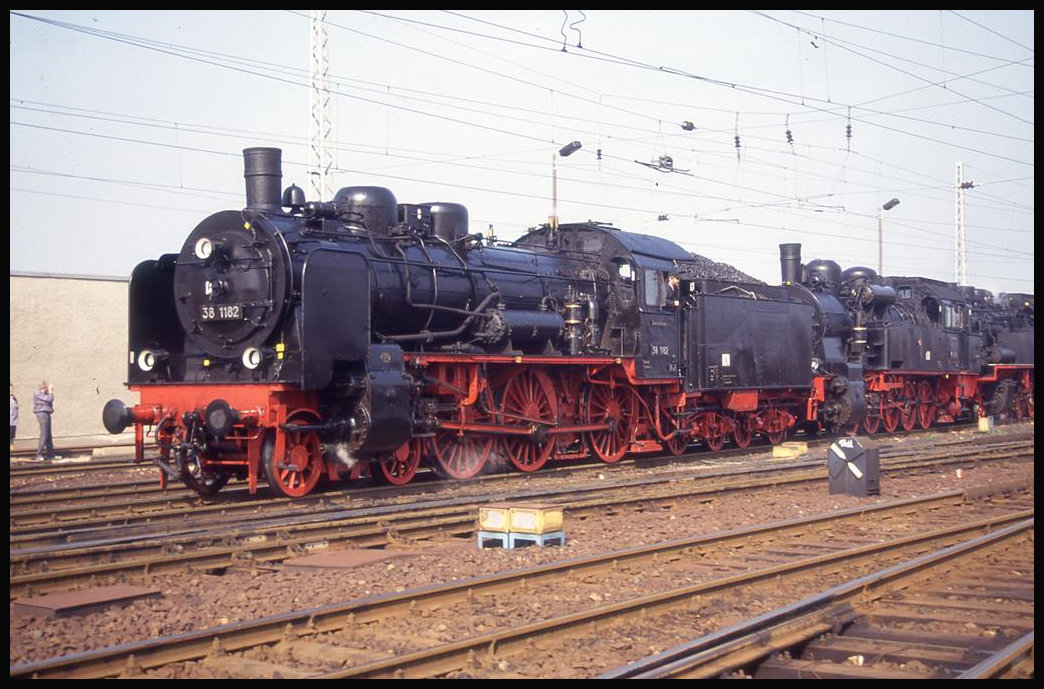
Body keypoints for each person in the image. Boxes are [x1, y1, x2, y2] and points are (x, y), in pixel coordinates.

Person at [33, 380, 59, 461]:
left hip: (47, 413)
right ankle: (38, 454)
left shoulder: (44, 393)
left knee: (48, 435)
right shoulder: (37, 393)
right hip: (42, 413)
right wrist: (50, 391)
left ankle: (50, 454)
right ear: (42, 386)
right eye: (45, 386)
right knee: (44, 434)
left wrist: (49, 392)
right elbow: (49, 399)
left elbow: (50, 398)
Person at [9, 383, 17, 452]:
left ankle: (12, 453)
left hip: (13, 422)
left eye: (11, 389)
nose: (11, 390)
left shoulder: (13, 398)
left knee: (11, 439)